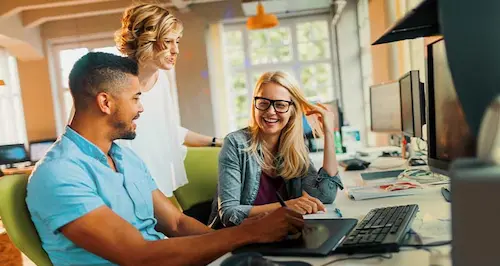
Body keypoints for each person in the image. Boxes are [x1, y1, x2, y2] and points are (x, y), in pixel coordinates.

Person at [26, 53, 304, 265]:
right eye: (136, 98)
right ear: (105, 103)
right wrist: (248, 234)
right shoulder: (59, 174)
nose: (141, 108)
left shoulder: (124, 157)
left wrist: (249, 245)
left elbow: (176, 224)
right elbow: (139, 256)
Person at [209, 71, 344, 228]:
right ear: (255, 104)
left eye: (280, 104)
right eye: (263, 102)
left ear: (292, 109)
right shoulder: (235, 143)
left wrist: (328, 131)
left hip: (280, 236)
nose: (270, 111)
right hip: (239, 240)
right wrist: (286, 207)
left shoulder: (294, 146)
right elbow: (229, 214)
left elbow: (324, 195)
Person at [114, 3, 222, 197]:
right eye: (168, 41)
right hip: (126, 189)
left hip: (158, 187)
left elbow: (168, 130)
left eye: (177, 41)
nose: (176, 50)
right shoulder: (112, 82)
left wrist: (217, 141)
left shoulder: (160, 79)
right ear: (146, 41)